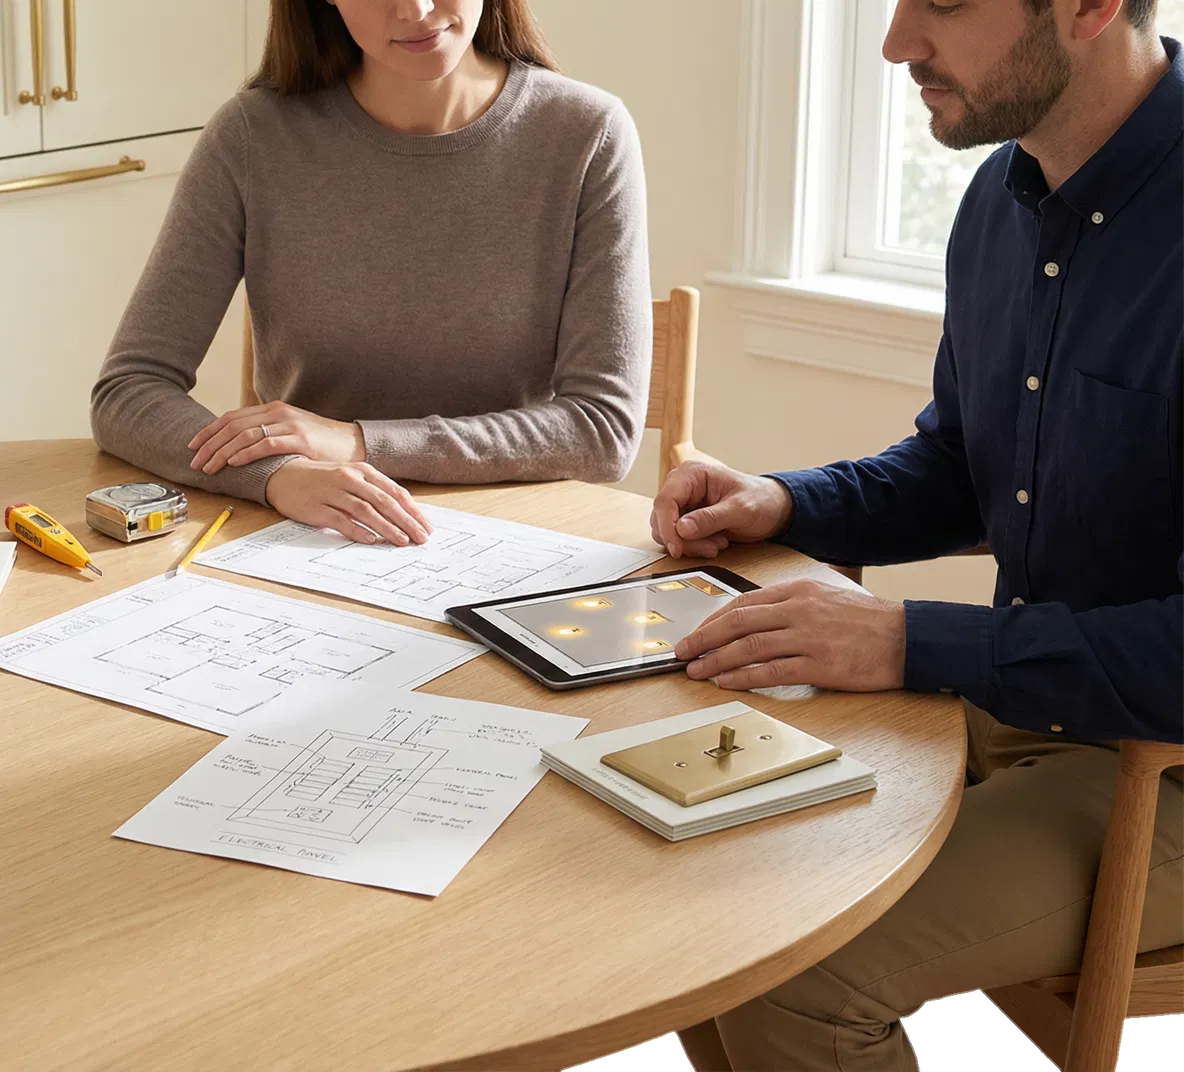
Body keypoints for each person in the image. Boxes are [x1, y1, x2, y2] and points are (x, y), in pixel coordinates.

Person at [652, 1, 1182, 1068]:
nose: (895, 43)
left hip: (1161, 766)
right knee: (692, 896)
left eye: (942, 2)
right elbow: (969, 465)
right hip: (1030, 698)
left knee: (797, 967)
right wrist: (787, 501)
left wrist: (906, 640)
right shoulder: (1001, 194)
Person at [90, 0, 652, 549]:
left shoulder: (586, 134)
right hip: (312, 536)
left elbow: (601, 431)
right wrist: (277, 476)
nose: (415, 10)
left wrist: (358, 442)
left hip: (520, 536)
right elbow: (129, 391)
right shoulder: (253, 136)